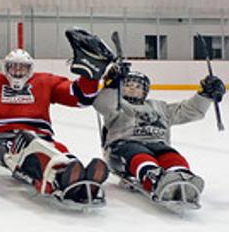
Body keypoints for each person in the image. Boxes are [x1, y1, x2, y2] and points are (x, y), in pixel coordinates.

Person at [0, 29, 114, 205]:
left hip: (43, 137)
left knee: (58, 150)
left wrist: (90, 77)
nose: (17, 71)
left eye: (22, 67)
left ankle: (78, 175)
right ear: (6, 67)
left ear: (31, 68)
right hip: (6, 140)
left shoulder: (44, 81)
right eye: (13, 67)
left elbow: (78, 97)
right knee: (29, 147)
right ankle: (60, 179)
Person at [94, 66, 223, 205]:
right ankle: (154, 178)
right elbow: (102, 104)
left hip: (157, 145)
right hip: (123, 147)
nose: (132, 88)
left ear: (145, 91)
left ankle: (182, 175)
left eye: (138, 86)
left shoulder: (159, 107)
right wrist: (111, 85)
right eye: (127, 85)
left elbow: (188, 111)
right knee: (139, 154)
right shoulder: (117, 105)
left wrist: (204, 95)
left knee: (170, 155)